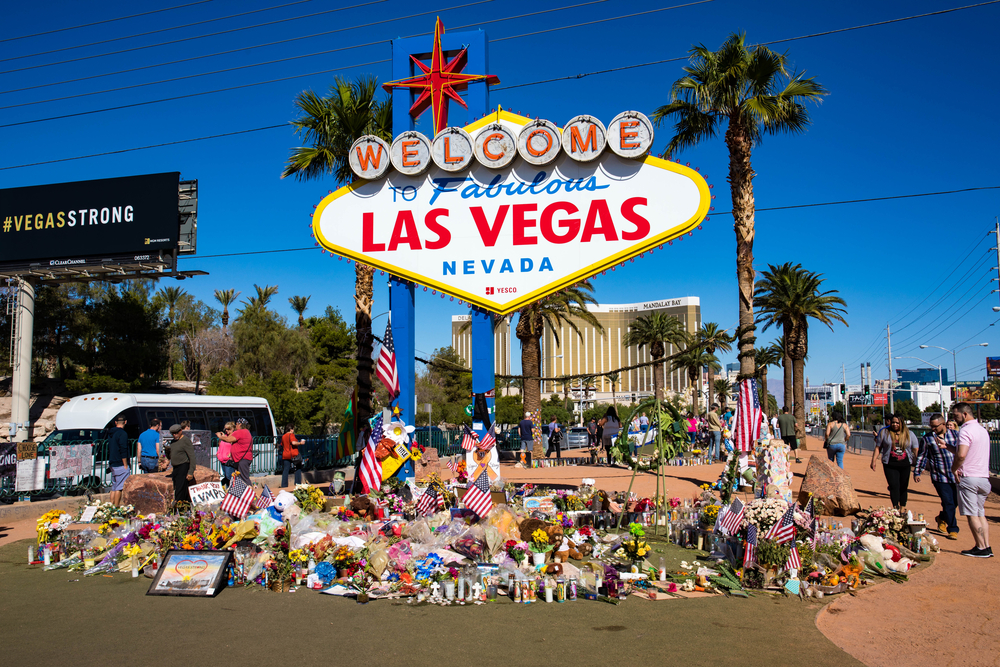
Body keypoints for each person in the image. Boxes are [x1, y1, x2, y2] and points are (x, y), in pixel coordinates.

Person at [950, 403, 993, 557]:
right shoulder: (982, 430)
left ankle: (981, 547)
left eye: (956, 416)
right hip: (983, 478)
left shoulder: (965, 431)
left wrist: (953, 469)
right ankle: (986, 546)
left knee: (972, 514)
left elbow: (961, 455)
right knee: (980, 513)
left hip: (968, 478)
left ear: (965, 414)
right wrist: (948, 447)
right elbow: (968, 451)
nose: (955, 419)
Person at [913, 413, 959, 540]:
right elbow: (922, 456)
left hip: (955, 476)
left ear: (943, 424)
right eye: (931, 426)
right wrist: (918, 471)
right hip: (939, 476)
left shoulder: (955, 435)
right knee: (948, 501)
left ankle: (942, 518)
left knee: (955, 502)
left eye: (935, 426)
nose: (933, 429)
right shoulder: (928, 439)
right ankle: (953, 529)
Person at [870, 414, 919, 512]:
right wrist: (873, 460)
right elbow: (878, 447)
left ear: (902, 423)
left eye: (897, 422)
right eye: (893, 422)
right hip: (890, 464)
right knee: (893, 486)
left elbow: (915, 449)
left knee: (904, 486)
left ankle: (903, 506)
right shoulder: (885, 433)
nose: (895, 424)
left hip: (905, 464)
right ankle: (895, 507)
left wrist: (919, 464)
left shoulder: (910, 434)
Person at [167, 423, 196, 504]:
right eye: (172, 434)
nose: (174, 435)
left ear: (181, 431)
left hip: (183, 466)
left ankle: (177, 506)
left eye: (176, 433)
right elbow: (171, 455)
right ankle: (185, 507)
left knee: (180, 489)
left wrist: (190, 472)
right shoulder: (173, 442)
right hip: (175, 468)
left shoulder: (185, 440)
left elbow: (192, 457)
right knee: (179, 488)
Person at [107, 415, 131, 506]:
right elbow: (123, 449)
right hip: (120, 463)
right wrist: (125, 464)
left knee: (114, 486)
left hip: (112, 462)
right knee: (119, 487)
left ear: (116, 422)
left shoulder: (111, 433)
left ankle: (111, 505)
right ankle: (116, 506)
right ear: (125, 422)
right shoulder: (123, 434)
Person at [230, 417, 254, 481]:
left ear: (240, 424)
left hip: (242, 458)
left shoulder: (240, 432)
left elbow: (229, 439)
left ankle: (250, 489)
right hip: (243, 458)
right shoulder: (246, 432)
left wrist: (221, 437)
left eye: (236, 424)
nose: (235, 426)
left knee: (244, 478)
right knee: (241, 478)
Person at [281, 423, 304, 488]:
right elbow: (293, 442)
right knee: (298, 467)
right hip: (293, 454)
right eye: (293, 429)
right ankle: (297, 483)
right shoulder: (291, 435)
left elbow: (282, 444)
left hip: (285, 454)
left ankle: (284, 485)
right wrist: (300, 443)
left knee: (286, 470)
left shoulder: (283, 436)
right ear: (291, 429)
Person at [215, 421, 238, 486]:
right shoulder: (224, 437)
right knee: (226, 476)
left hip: (229, 460)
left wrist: (230, 455)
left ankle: (231, 490)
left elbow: (235, 447)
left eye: (228, 429)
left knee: (229, 476)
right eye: (226, 429)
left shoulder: (233, 437)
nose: (227, 431)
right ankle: (227, 490)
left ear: (233, 429)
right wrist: (218, 453)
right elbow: (220, 446)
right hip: (222, 460)